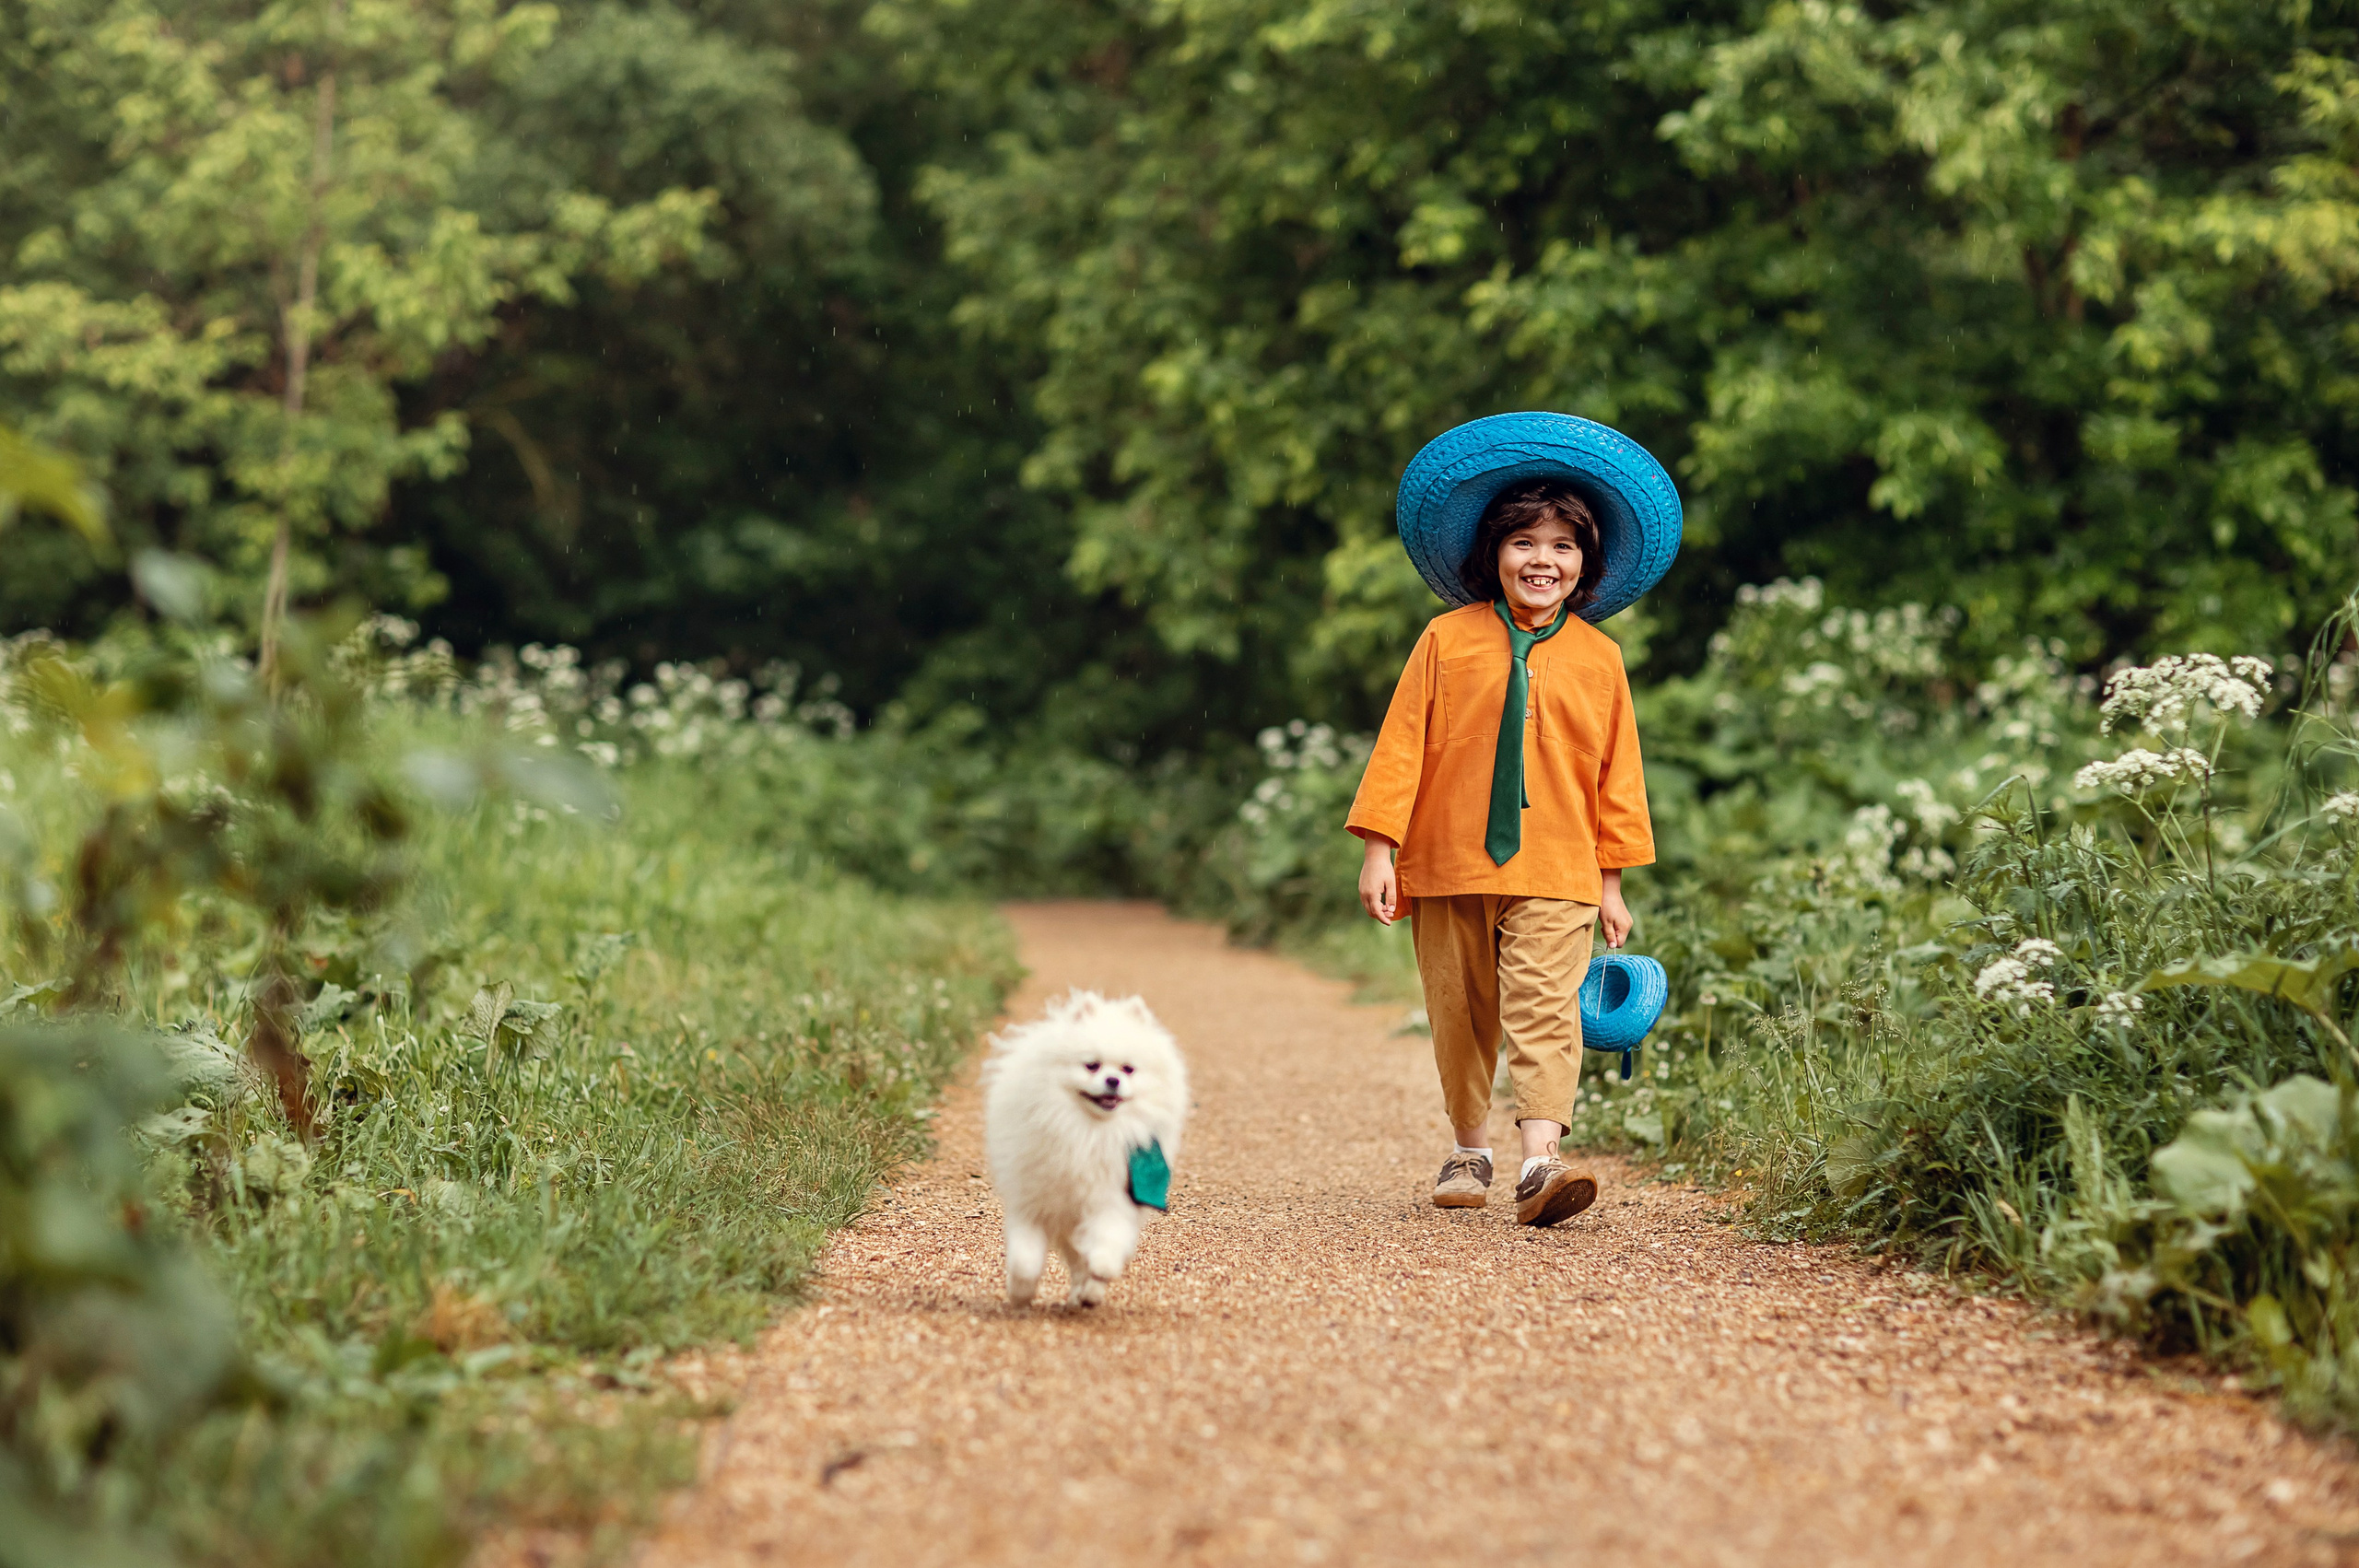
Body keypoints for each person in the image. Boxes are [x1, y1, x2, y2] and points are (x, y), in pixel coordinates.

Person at [1344, 473, 1656, 1227]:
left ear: (1586, 563)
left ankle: (1540, 1162)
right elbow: (1401, 748)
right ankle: (1469, 1149)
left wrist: (1612, 883)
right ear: (1495, 555)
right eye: (1524, 542)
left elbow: (1619, 776)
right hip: (1449, 857)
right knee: (1460, 1010)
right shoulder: (1445, 639)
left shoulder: (1600, 658)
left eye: (1562, 545)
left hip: (1561, 862)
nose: (1542, 560)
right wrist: (1380, 849)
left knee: (1546, 1006)